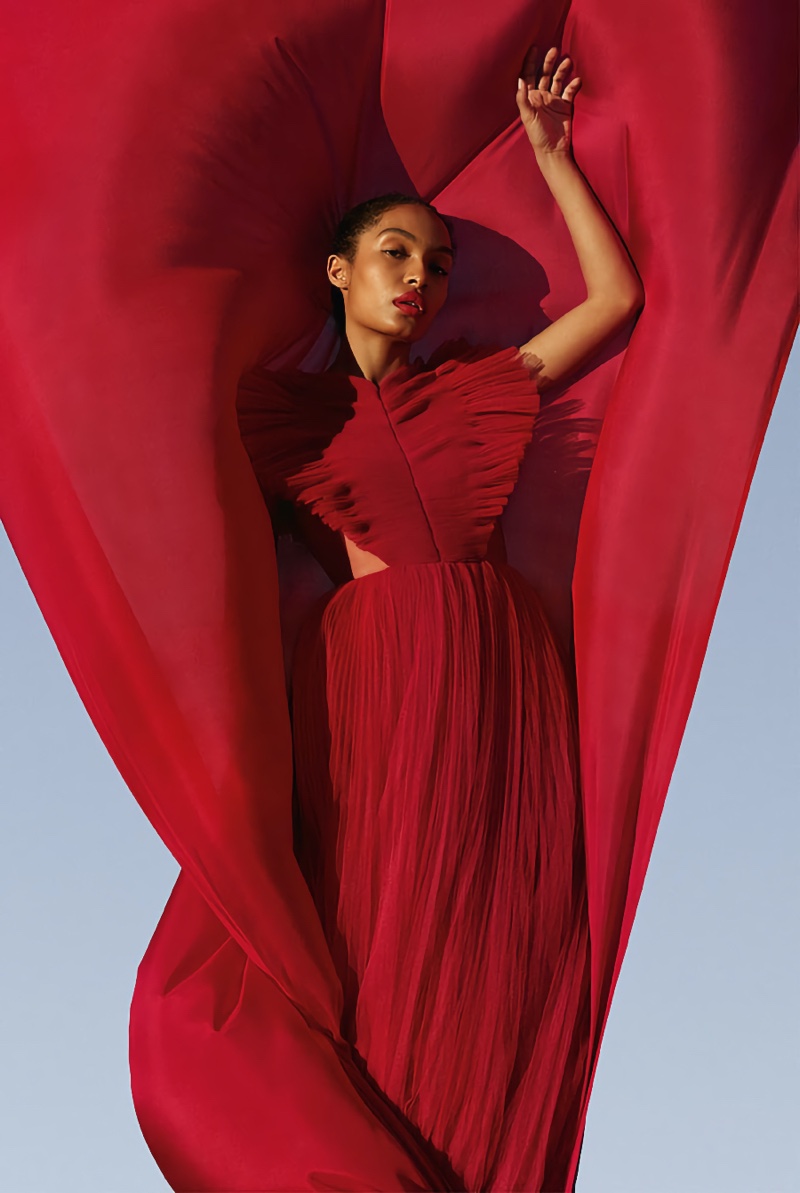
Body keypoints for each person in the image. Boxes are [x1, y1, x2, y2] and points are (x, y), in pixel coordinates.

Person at [237, 45, 644, 1190]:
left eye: (436, 261)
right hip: (376, 669)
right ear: (335, 269)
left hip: (499, 665)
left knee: (506, 943)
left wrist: (553, 159)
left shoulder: (474, 385)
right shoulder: (276, 413)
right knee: (383, 936)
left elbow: (613, 300)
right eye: (393, 253)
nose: (417, 276)